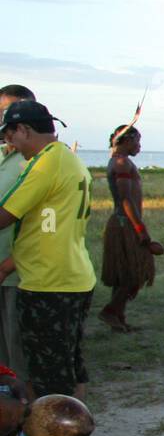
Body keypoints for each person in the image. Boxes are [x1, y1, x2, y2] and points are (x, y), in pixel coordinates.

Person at [0, 101, 95, 400]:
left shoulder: (45, 163)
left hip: (48, 283)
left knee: (45, 379)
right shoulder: (67, 158)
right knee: (69, 368)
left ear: (24, 130)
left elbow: (5, 216)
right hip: (73, 277)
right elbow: (43, 229)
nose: (7, 142)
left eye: (9, 135)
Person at [99, 123, 156, 333]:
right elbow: (126, 201)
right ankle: (110, 311)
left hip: (124, 222)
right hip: (126, 223)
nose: (139, 146)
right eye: (137, 141)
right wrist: (140, 230)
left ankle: (118, 318)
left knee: (123, 273)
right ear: (126, 140)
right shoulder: (122, 164)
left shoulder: (118, 161)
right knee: (134, 273)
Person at [0, 85, 34, 382]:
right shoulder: (3, 156)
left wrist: (9, 265)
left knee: (18, 354)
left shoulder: (36, 162)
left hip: (17, 273)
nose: (8, 121)